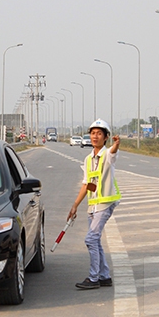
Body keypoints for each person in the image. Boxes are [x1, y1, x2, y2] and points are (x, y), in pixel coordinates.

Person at [68, 119, 121, 289]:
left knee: (90, 238)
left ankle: (93, 278)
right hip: (93, 205)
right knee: (95, 240)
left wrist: (117, 144)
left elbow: (113, 153)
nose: (95, 136)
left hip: (105, 203)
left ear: (106, 137)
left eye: (99, 133)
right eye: (93, 133)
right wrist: (75, 205)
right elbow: (86, 184)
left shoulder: (107, 154)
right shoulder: (88, 159)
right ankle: (104, 276)